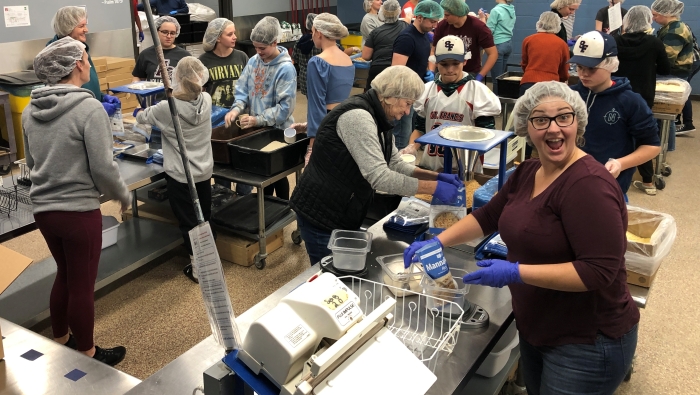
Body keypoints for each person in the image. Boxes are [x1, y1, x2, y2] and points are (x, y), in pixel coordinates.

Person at [404, 81, 639, 395]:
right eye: (541, 119)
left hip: (585, 341)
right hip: (537, 324)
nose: (553, 129)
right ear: (526, 126)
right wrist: (439, 241)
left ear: (578, 122)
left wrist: (516, 272)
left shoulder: (589, 186)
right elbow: (488, 216)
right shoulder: (529, 170)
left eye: (563, 118)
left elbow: (599, 271)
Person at [24, 37, 131, 366]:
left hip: (44, 210)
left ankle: (61, 338)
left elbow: (31, 161)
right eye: (86, 58)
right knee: (82, 283)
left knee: (65, 274)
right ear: (77, 66)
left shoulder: (30, 109)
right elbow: (103, 167)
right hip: (77, 212)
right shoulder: (88, 108)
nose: (89, 63)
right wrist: (123, 195)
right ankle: (87, 351)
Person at [290, 66, 461, 265]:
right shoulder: (358, 118)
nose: (407, 112)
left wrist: (434, 177)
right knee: (327, 277)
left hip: (344, 209)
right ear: (390, 96)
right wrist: (433, 189)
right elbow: (380, 176)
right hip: (322, 214)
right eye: (406, 104)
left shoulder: (379, 116)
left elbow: (394, 162)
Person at [136, 57, 213, 284]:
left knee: (188, 221)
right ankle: (210, 259)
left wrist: (138, 110)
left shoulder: (166, 107)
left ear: (176, 77)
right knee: (204, 217)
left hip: (181, 175)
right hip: (204, 171)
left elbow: (142, 117)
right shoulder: (206, 100)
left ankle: (199, 268)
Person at [569, 31, 661, 194]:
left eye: (591, 68)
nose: (583, 74)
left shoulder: (630, 101)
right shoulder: (570, 96)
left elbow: (652, 146)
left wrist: (620, 164)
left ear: (610, 64)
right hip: (570, 180)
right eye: (580, 67)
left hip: (609, 186)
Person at [224, 17, 296, 199]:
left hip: (277, 130)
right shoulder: (254, 62)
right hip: (257, 130)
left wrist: (258, 119)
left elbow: (285, 108)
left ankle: (281, 211)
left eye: (262, 48)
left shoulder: (285, 69)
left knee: (278, 176)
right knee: (263, 176)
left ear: (275, 42)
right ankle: (266, 212)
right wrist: (236, 109)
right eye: (255, 47)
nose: (258, 52)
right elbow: (242, 90)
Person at [404, 35, 501, 172]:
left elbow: (487, 136)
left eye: (455, 63)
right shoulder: (427, 90)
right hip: (431, 166)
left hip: (465, 169)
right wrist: (412, 147)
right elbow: (420, 128)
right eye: (444, 64)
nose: (450, 69)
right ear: (436, 63)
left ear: (465, 62)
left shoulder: (477, 92)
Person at [613, 6, 670, 196]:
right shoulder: (654, 43)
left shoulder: (615, 41)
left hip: (618, 94)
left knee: (616, 133)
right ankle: (648, 182)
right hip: (643, 97)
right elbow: (665, 69)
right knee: (643, 138)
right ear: (647, 21)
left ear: (626, 21)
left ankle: (610, 174)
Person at [199, 18, 253, 196]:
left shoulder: (241, 56)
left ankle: (245, 204)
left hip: (242, 121)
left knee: (245, 167)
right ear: (217, 37)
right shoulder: (203, 61)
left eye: (234, 33)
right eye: (229, 34)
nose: (235, 37)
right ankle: (226, 203)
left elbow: (249, 88)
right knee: (222, 169)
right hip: (217, 125)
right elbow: (200, 94)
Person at [48, 6, 121, 117]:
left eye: (85, 25)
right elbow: (64, 101)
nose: (86, 30)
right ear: (67, 28)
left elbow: (85, 85)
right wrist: (96, 109)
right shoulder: (56, 57)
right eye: (81, 26)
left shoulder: (80, 48)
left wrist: (100, 97)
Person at [391, 1, 444, 150]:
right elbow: (396, 71)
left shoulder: (424, 36)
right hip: (404, 93)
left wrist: (427, 71)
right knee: (402, 134)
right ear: (419, 17)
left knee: (413, 131)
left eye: (436, 21)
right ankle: (398, 164)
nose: (434, 25)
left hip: (417, 91)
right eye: (432, 21)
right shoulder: (407, 38)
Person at [304, 14, 355, 166]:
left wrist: (312, 146)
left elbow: (316, 105)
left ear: (319, 32)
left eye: (312, 32)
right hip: (344, 120)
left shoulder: (317, 62)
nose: (312, 36)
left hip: (326, 124)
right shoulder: (348, 60)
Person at [651, 0, 695, 135]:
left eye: (656, 15)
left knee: (669, 108)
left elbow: (667, 58)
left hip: (675, 71)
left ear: (668, 13)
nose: (653, 18)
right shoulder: (672, 27)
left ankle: (669, 138)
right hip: (677, 70)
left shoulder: (675, 31)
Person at [431, 0, 497, 83]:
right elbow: (433, 51)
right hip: (446, 71)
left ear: (458, 14)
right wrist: (431, 70)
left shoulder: (478, 27)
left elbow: (493, 54)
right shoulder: (442, 26)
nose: (444, 18)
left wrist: (480, 75)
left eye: (447, 15)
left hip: (470, 72)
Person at [521, 12, 570, 97]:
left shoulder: (528, 40)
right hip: (551, 85)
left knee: (526, 109)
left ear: (540, 23)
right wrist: (562, 80)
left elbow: (524, 63)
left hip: (528, 82)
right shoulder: (562, 44)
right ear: (558, 25)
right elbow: (564, 69)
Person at [362, 0, 408, 91]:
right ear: (399, 11)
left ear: (382, 12)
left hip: (378, 71)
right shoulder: (405, 27)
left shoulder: (376, 32)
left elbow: (365, 56)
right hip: (397, 71)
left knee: (373, 100)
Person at [132, 16, 190, 84]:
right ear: (156, 32)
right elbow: (137, 76)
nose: (168, 36)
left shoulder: (185, 56)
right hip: (152, 94)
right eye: (165, 32)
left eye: (172, 33)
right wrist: (136, 86)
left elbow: (192, 80)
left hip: (175, 94)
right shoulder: (145, 54)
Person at [478, 0, 516, 95]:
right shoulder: (511, 9)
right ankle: (503, 102)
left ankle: (496, 105)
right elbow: (502, 23)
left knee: (496, 80)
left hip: (498, 45)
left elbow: (488, 32)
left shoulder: (496, 10)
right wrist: (490, 18)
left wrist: (483, 18)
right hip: (508, 44)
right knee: (501, 78)